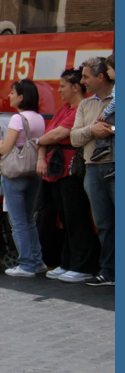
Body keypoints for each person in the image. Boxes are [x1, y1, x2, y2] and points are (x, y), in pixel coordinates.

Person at [37, 68, 100, 283]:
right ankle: (68, 262)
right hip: (57, 169)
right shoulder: (64, 109)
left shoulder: (80, 108)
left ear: (75, 87)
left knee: (76, 216)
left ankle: (83, 264)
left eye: (62, 86)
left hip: (71, 168)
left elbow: (57, 134)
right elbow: (49, 134)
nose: (59, 90)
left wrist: (39, 142)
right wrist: (42, 143)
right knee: (65, 217)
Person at [70, 55, 114, 286]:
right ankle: (109, 271)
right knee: (104, 223)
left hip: (114, 166)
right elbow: (75, 137)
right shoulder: (86, 105)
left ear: (100, 77)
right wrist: (92, 130)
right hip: (93, 169)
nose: (82, 81)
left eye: (86, 76)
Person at [0, 78, 47, 277]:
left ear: (21, 97)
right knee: (29, 219)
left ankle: (26, 264)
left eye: (12, 93)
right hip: (33, 171)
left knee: (17, 221)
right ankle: (38, 260)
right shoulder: (39, 118)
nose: (9, 96)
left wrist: (0, 145)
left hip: (15, 173)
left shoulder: (17, 119)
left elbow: (6, 147)